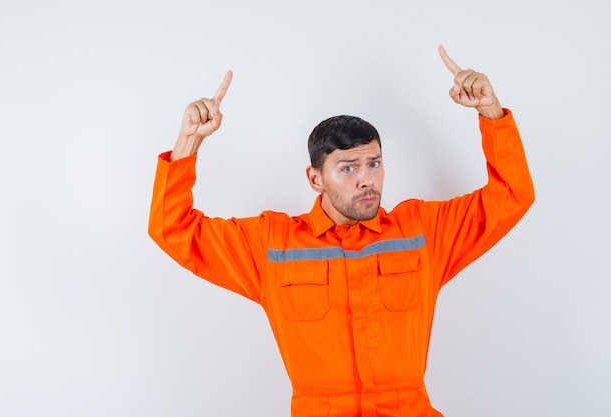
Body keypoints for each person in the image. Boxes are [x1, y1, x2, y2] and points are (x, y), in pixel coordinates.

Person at [148, 45, 534, 417]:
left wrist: (490, 111)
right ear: (315, 179)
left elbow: (512, 195)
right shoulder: (272, 246)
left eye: (374, 163)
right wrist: (189, 142)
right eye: (348, 168)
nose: (367, 180)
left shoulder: (423, 233)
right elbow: (173, 228)